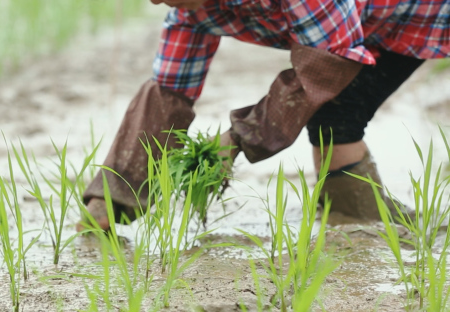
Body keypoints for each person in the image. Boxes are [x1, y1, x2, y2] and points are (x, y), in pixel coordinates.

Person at [78, 0, 450, 231]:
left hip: (419, 11)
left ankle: (363, 224)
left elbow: (325, 65)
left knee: (334, 113)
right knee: (336, 119)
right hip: (360, 23)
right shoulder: (190, 12)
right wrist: (115, 197)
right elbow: (167, 94)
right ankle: (356, 223)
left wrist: (235, 140)